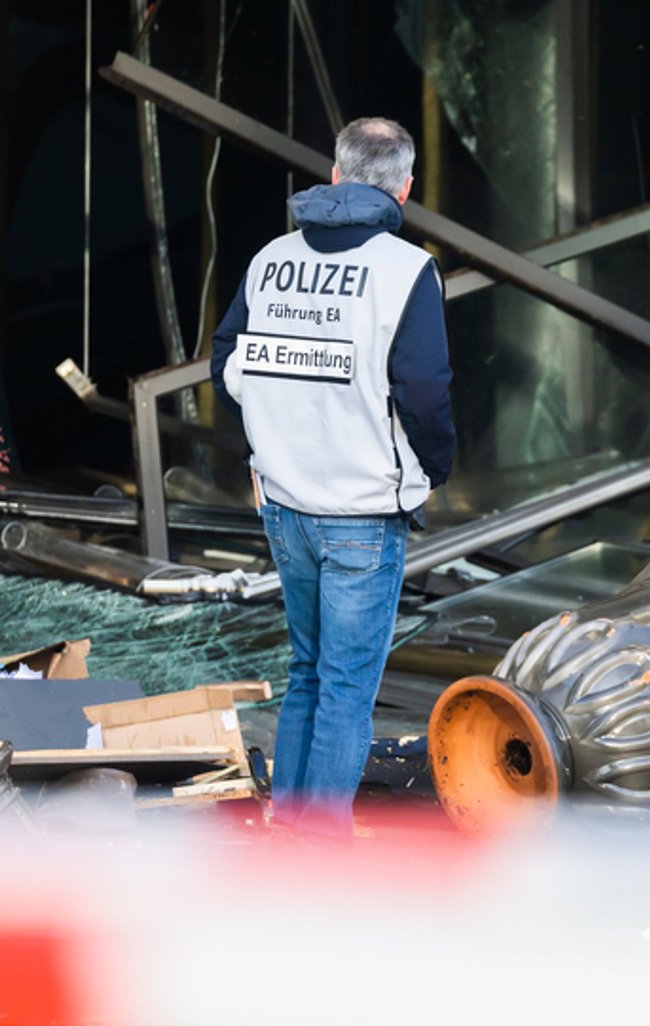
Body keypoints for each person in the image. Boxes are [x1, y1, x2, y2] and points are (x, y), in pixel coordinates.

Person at [210, 116, 455, 840]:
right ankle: (316, 850)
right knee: (347, 687)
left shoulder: (270, 259)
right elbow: (425, 391)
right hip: (363, 512)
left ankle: (291, 828)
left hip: (285, 505)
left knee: (308, 671)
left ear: (337, 172)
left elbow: (229, 362)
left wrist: (277, 428)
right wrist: (432, 469)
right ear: (405, 187)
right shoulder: (406, 270)